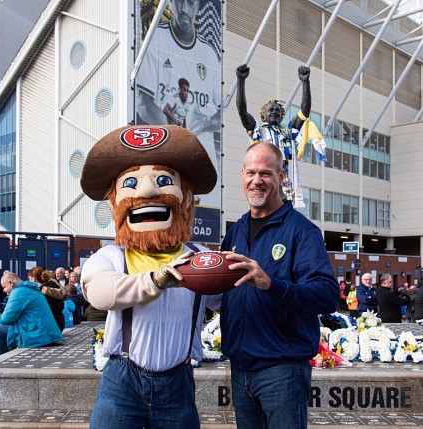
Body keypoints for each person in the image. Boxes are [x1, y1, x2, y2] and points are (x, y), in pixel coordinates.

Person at [80, 125, 221, 428]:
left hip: (178, 385)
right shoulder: (113, 256)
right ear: (114, 203)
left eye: (163, 181)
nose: (146, 192)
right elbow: (100, 292)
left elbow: (228, 299)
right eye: (131, 183)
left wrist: (247, 279)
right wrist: (155, 281)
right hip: (122, 382)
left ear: (185, 198)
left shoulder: (200, 256)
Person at [220, 142, 339, 429]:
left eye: (266, 173)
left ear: (281, 176)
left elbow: (327, 296)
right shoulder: (235, 231)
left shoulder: (302, 231)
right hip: (240, 367)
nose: (256, 181)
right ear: (242, 176)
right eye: (250, 173)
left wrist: (272, 284)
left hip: (282, 371)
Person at [136, 0, 222, 191]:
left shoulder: (208, 53)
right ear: (171, 3)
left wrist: (206, 123)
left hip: (203, 173)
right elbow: (143, 102)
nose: (184, 9)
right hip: (165, 167)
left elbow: (224, 115)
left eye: (190, 3)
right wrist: (176, 137)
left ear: (198, 7)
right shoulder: (155, 38)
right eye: (179, 2)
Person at [235, 63, 315, 206]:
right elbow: (242, 111)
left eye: (277, 111)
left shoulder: (287, 132)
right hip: (264, 178)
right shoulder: (257, 131)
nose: (274, 112)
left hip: (283, 181)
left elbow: (305, 111)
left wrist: (305, 83)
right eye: (270, 110)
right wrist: (240, 81)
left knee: (285, 215)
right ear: (263, 116)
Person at [0, 271, 64, 356]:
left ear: (11, 283)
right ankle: (10, 355)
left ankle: (0, 360)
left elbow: (8, 317)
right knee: (7, 327)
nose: (3, 290)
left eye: (4, 287)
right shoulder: (30, 289)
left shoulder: (19, 292)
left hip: (37, 335)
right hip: (45, 333)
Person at [29, 267, 66, 332]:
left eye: (29, 279)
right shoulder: (55, 287)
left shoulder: (41, 293)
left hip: (49, 329)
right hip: (59, 324)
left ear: (33, 278)